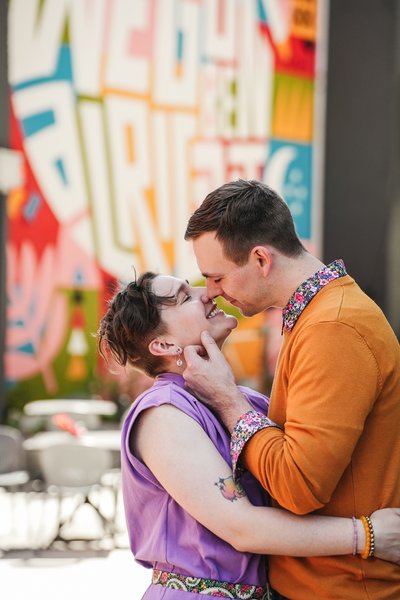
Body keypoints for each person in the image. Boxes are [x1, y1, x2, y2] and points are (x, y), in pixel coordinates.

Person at [97, 271, 400, 600]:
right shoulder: (163, 414)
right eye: (184, 297)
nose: (206, 293)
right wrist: (367, 535)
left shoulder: (244, 402)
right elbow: (241, 527)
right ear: (165, 345)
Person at [182, 179, 400, 599]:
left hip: (340, 589)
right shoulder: (322, 315)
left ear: (261, 259)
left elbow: (299, 486)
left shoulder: (334, 326)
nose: (211, 293)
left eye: (217, 277)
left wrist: (228, 400)